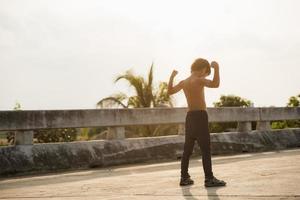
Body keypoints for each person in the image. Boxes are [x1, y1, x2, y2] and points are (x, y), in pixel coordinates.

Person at [167, 58, 226, 187]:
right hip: (200, 116)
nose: (205, 75)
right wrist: (217, 68)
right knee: (205, 149)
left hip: (189, 117)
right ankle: (209, 178)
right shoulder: (199, 80)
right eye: (206, 73)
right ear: (203, 69)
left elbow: (170, 91)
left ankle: (184, 177)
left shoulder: (184, 82)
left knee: (187, 149)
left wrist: (172, 77)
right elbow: (216, 84)